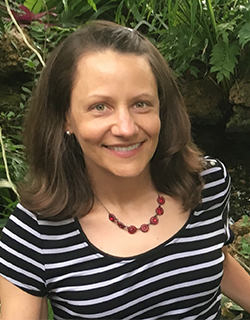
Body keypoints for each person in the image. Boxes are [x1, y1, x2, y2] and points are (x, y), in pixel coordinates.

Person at [0, 20, 249, 320]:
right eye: (100, 107)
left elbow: (208, 259)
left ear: (162, 109)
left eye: (141, 104)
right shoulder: (34, 235)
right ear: (66, 119)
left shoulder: (207, 183)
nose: (126, 128)